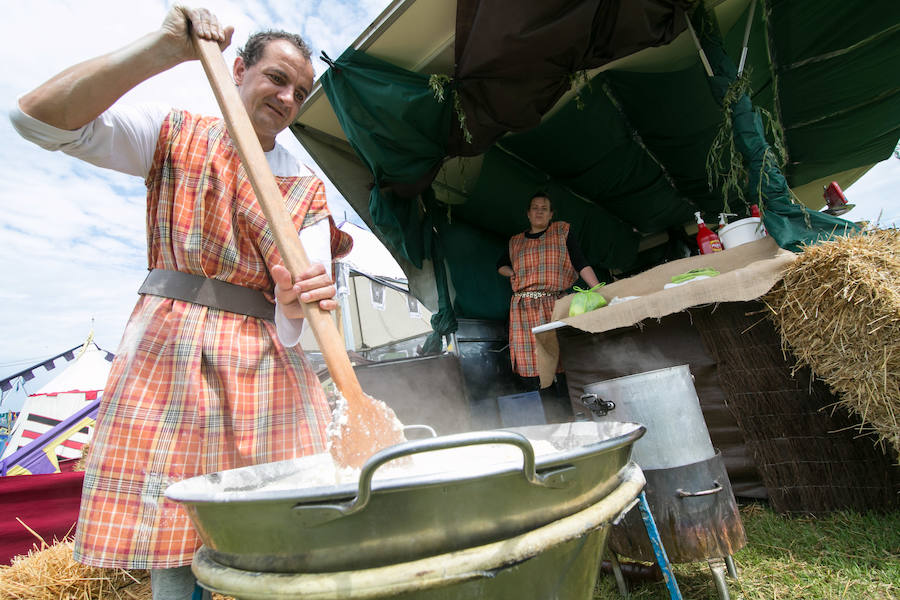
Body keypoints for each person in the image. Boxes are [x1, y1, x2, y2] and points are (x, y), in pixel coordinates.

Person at [9, 7, 351, 599]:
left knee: (283, 529)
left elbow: (300, 314)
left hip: (268, 368)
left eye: (301, 91)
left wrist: (298, 301)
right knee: (175, 536)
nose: (288, 96)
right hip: (171, 354)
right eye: (277, 77)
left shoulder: (304, 184)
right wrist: (162, 50)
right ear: (238, 69)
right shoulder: (172, 134)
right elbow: (35, 120)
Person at [497, 192, 601, 390]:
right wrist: (512, 273)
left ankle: (569, 400)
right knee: (532, 360)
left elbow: (580, 263)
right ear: (528, 213)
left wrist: (598, 289)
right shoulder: (515, 242)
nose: (539, 211)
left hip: (554, 304)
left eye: (544, 208)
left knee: (562, 356)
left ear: (551, 214)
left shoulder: (562, 231)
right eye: (535, 208)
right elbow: (500, 265)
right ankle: (544, 401)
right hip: (523, 310)